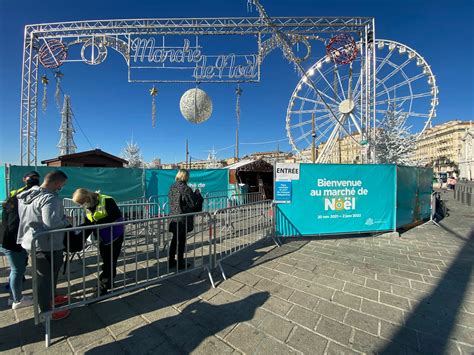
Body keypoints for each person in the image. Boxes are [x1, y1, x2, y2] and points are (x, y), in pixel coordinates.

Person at [17, 170, 71, 320]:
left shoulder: (27, 195)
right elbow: (51, 224)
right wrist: (66, 221)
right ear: (55, 182)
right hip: (47, 244)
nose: (62, 187)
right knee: (45, 278)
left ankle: (50, 299)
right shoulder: (50, 198)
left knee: (45, 277)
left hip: (31, 240)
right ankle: (47, 312)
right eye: (62, 184)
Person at [72, 188, 124, 296]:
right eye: (80, 204)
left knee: (110, 259)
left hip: (115, 234)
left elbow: (115, 216)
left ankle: (103, 285)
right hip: (102, 236)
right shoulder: (88, 205)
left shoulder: (107, 200)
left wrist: (95, 224)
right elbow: (88, 221)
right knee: (107, 259)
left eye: (82, 202)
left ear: (87, 197)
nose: (82, 205)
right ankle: (109, 281)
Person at [0, 171, 40, 309]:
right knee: (17, 270)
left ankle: (13, 296)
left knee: (17, 269)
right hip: (13, 238)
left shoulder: (15, 194)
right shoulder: (30, 195)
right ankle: (17, 300)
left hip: (8, 236)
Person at [167, 169, 203, 270]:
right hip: (182, 219)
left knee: (174, 239)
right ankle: (180, 262)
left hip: (173, 218)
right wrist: (198, 195)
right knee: (181, 241)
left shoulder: (172, 186)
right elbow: (192, 204)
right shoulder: (185, 188)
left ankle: (171, 261)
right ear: (185, 177)